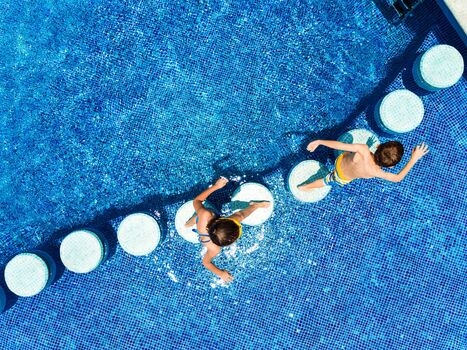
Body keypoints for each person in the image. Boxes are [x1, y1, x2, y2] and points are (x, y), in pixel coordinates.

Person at [185, 177, 270, 282]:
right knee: (197, 218)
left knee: (202, 215)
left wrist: (216, 186)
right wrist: (220, 273)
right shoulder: (214, 248)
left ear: (223, 220)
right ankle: (190, 222)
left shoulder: (206, 215)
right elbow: (206, 263)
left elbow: (197, 201)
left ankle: (192, 221)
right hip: (205, 223)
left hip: (206, 217)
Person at [298, 139, 429, 190]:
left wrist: (320, 142)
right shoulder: (377, 172)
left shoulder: (363, 149)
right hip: (341, 178)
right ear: (390, 166)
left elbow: (340, 145)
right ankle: (304, 188)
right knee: (325, 181)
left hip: (340, 160)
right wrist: (414, 158)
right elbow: (398, 178)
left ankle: (305, 187)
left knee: (351, 148)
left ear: (378, 146)